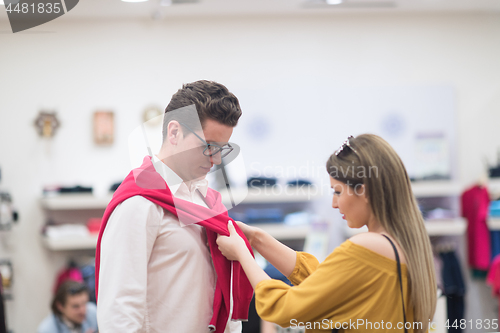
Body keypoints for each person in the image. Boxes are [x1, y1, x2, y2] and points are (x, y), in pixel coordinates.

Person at [217, 134, 437, 333]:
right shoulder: (403, 245)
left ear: (364, 191)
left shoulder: (366, 246)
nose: (333, 203)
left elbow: (284, 308)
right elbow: (323, 282)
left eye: (338, 191)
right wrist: (257, 239)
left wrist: (243, 254)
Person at [95, 80, 253, 333]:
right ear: (175, 132)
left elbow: (221, 288)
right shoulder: (139, 204)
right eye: (208, 147)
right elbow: (119, 311)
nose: (215, 160)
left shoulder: (208, 200)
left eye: (221, 149)